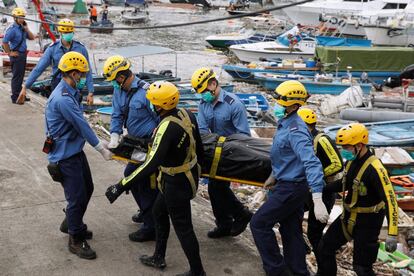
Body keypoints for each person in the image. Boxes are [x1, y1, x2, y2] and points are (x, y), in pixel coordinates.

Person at [105, 81, 206, 276]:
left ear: (160, 105)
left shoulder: (165, 128)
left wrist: (120, 186)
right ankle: (158, 257)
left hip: (176, 183)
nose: (150, 103)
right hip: (186, 176)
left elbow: (150, 164)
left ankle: (197, 271)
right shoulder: (187, 114)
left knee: (184, 228)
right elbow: (198, 146)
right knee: (159, 212)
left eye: (152, 101)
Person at [250, 80, 329, 276]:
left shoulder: (296, 130)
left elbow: (311, 162)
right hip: (288, 184)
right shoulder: (285, 123)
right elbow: (287, 156)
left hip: (291, 188)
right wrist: (274, 175)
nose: (276, 105)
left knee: (259, 223)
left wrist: (318, 199)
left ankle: (276, 270)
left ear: (294, 105)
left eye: (280, 102)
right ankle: (298, 271)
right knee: (290, 229)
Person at [44, 51, 113, 259]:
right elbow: (82, 124)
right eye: (81, 74)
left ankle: (72, 223)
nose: (83, 78)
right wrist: (101, 147)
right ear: (73, 73)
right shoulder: (63, 98)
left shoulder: (70, 90)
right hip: (65, 156)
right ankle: (75, 238)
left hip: (74, 151)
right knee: (76, 197)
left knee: (88, 188)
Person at [316, 123, 399, 276]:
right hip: (347, 218)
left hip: (368, 223)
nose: (344, 151)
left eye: (346, 147)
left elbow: (391, 200)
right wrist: (321, 187)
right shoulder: (352, 161)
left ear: (359, 145)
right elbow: (345, 183)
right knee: (324, 247)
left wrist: (392, 233)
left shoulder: (376, 169)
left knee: (362, 268)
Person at [191, 67, 253, 239]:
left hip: (231, 152)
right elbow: (203, 130)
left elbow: (243, 136)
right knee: (214, 189)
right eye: (200, 93)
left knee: (217, 187)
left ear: (213, 84)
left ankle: (239, 215)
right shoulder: (204, 104)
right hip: (213, 151)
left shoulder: (234, 105)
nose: (203, 95)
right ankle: (226, 223)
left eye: (204, 91)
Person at [102, 55, 158, 242]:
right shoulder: (119, 91)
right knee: (132, 178)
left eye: (114, 80)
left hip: (150, 145)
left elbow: (160, 119)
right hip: (134, 142)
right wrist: (114, 136)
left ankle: (151, 226)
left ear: (121, 76)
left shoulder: (147, 92)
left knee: (142, 181)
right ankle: (146, 212)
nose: (114, 84)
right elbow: (117, 114)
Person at [297, 108, 343, 255]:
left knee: (314, 233)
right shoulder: (305, 139)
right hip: (310, 189)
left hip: (324, 191)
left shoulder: (321, 140)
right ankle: (301, 247)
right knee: (291, 213)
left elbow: (337, 164)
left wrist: (317, 176)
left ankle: (324, 264)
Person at [21, 18, 95, 104]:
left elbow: (87, 70)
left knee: (75, 108)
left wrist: (91, 92)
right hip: (58, 83)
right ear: (60, 33)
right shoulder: (52, 48)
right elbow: (39, 68)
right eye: (65, 33)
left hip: (76, 84)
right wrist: (25, 86)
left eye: (70, 32)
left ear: (73, 32)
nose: (68, 34)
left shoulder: (80, 48)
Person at [2, 7, 35, 104]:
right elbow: (4, 42)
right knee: (17, 76)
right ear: (14, 18)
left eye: (23, 17)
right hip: (16, 55)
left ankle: (20, 95)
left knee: (21, 76)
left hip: (23, 54)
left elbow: (32, 37)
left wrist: (27, 28)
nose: (22, 19)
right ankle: (15, 97)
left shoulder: (22, 28)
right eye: (20, 17)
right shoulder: (12, 29)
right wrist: (9, 53)